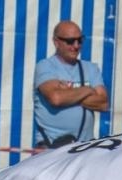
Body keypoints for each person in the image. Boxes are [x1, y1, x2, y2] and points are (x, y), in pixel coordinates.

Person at [32, 20, 109, 149]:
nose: (76, 45)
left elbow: (103, 103)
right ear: (56, 42)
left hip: (84, 147)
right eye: (70, 41)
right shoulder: (45, 66)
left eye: (80, 40)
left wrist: (68, 93)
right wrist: (87, 90)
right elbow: (56, 98)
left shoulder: (91, 68)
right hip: (51, 146)